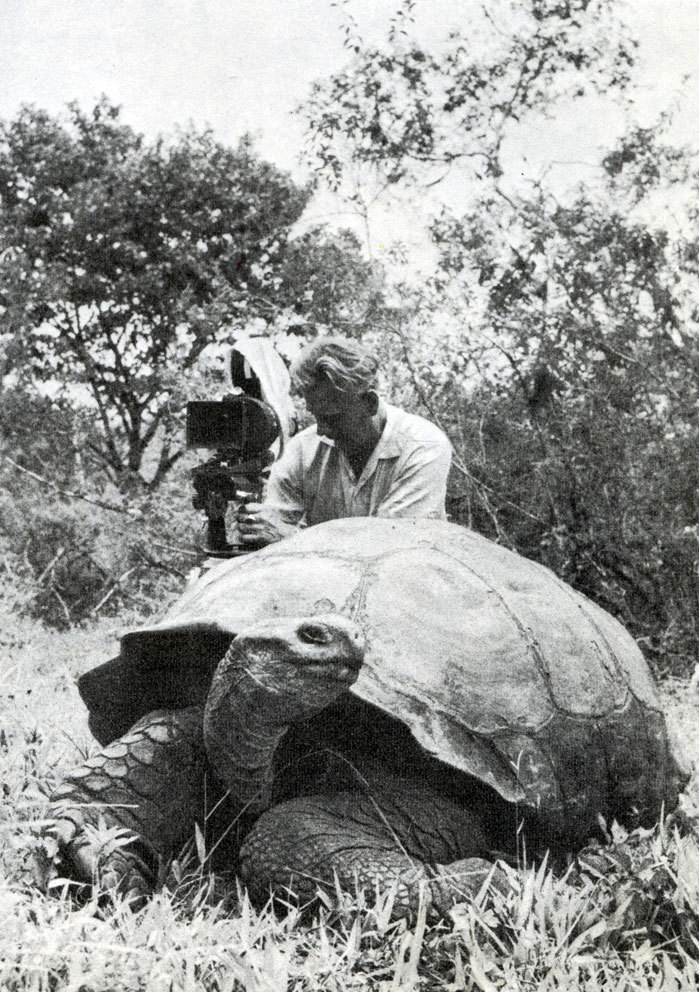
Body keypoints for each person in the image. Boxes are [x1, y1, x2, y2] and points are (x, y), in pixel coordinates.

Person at [236, 336, 452, 547]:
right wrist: (257, 525)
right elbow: (272, 525)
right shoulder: (303, 449)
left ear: (370, 403)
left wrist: (292, 539)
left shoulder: (423, 447)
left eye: (333, 418)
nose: (321, 430)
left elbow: (393, 547)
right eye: (316, 416)